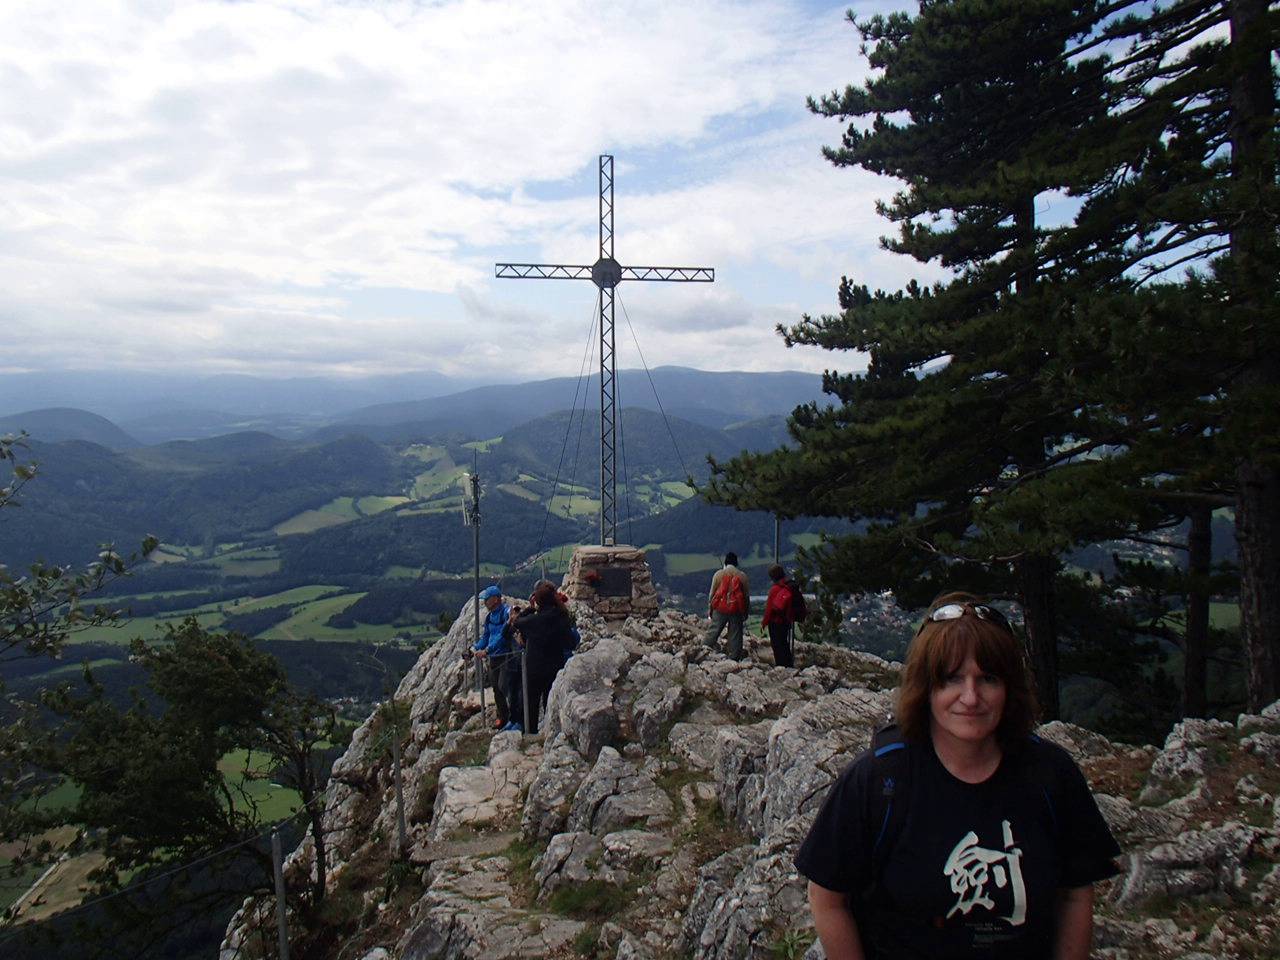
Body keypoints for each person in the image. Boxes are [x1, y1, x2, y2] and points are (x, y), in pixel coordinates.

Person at [795, 592, 1120, 960]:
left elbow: (1075, 893)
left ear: (1009, 688)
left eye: (988, 679)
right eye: (951, 679)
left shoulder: (1050, 776)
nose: (971, 697)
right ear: (925, 687)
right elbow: (827, 898)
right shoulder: (880, 781)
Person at [507, 581, 576, 735]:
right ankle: (551, 733)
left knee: (531, 703)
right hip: (555, 666)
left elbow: (517, 622)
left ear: (538, 600)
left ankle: (531, 733)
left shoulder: (534, 621)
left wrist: (530, 608)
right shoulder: (561, 617)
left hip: (534, 667)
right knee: (550, 702)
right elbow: (570, 642)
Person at [471, 585, 516, 730]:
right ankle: (503, 717)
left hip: (506, 655)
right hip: (494, 657)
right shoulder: (489, 617)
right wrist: (475, 648)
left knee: (504, 686)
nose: (484, 602)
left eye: (487, 599)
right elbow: (486, 637)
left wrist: (487, 650)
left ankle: (514, 717)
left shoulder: (505, 613)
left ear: (496, 599)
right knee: (496, 688)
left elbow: (503, 636)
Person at [704, 552, 750, 661]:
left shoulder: (719, 574)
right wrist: (745, 612)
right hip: (736, 609)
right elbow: (746, 597)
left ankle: (704, 649)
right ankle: (734, 658)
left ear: (725, 562)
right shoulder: (742, 576)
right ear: (736, 563)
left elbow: (712, 594)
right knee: (735, 634)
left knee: (714, 630)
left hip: (720, 608)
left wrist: (710, 609)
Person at [760, 563, 796, 668]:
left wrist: (764, 623)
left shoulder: (775, 589)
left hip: (775, 621)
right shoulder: (789, 586)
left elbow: (769, 609)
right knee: (784, 643)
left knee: (777, 645)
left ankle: (781, 666)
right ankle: (789, 665)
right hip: (786, 620)